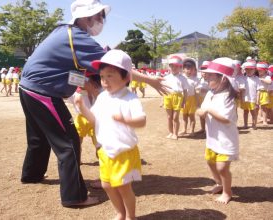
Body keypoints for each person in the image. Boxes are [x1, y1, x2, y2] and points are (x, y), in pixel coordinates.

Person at [18, 0, 168, 208]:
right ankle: (74, 197)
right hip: (42, 92)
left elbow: (61, 72)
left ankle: (31, 175)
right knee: (68, 141)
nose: (101, 21)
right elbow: (113, 67)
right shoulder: (77, 37)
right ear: (87, 17)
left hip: (29, 88)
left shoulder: (63, 32)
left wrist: (87, 82)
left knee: (38, 137)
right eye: (99, 17)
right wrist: (151, 80)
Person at [75, 49, 146, 219]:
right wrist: (82, 108)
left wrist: (126, 120)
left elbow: (142, 121)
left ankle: (130, 216)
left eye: (110, 75)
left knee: (123, 187)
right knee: (107, 185)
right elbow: (94, 121)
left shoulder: (130, 99)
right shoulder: (102, 98)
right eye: (102, 76)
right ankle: (120, 213)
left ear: (127, 77)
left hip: (123, 152)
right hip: (105, 150)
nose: (105, 81)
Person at [196, 57, 239, 204]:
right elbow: (203, 109)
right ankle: (220, 184)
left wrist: (208, 110)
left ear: (223, 79)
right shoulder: (210, 93)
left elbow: (226, 119)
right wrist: (201, 111)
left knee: (222, 167)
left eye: (211, 75)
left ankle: (228, 192)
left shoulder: (228, 97)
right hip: (213, 138)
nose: (206, 77)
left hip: (226, 140)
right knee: (210, 161)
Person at [162, 55, 189, 140]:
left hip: (178, 97)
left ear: (180, 67)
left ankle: (175, 133)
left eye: (176, 66)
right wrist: (162, 100)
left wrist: (184, 102)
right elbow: (164, 90)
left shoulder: (183, 78)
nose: (174, 68)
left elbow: (185, 91)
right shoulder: (165, 78)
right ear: (169, 67)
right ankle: (170, 132)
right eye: (172, 66)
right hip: (167, 96)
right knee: (169, 117)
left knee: (175, 117)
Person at [180, 58, 199, 137]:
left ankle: (192, 131)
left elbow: (197, 92)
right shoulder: (181, 78)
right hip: (183, 99)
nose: (189, 70)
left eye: (191, 68)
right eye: (187, 68)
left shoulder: (195, 80)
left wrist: (198, 103)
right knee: (184, 116)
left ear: (194, 70)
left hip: (192, 99)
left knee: (191, 116)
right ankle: (184, 129)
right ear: (183, 69)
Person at [240, 61, 260, 129]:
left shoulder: (257, 79)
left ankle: (254, 124)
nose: (249, 71)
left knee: (253, 112)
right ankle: (245, 124)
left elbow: (258, 90)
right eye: (247, 69)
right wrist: (241, 98)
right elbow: (241, 90)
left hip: (253, 99)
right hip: (245, 98)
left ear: (255, 70)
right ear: (244, 70)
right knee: (245, 112)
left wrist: (257, 100)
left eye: (251, 69)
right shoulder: (243, 78)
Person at [256, 62, 272, 126]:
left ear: (265, 70)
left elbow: (270, 82)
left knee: (264, 108)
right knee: (258, 108)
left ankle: (265, 121)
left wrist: (262, 79)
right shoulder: (257, 77)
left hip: (264, 93)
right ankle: (259, 119)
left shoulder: (267, 77)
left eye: (261, 70)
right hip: (258, 93)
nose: (259, 71)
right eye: (258, 70)